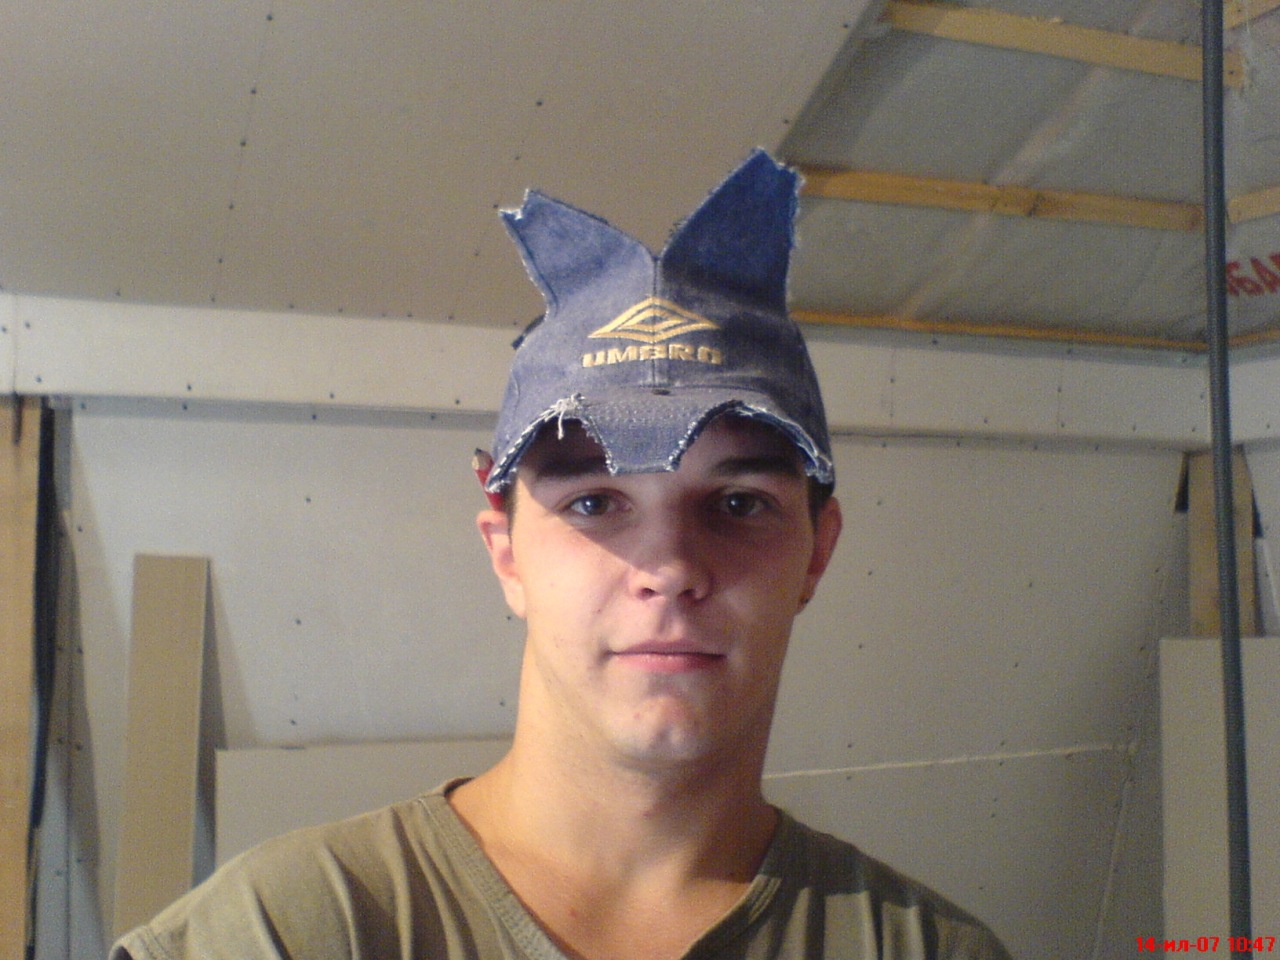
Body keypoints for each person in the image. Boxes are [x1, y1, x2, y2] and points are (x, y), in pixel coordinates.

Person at [110, 151, 1010, 960]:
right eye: (594, 502)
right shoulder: (292, 931)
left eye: (739, 504)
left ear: (817, 553)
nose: (670, 569)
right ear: (506, 554)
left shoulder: (930, 950)